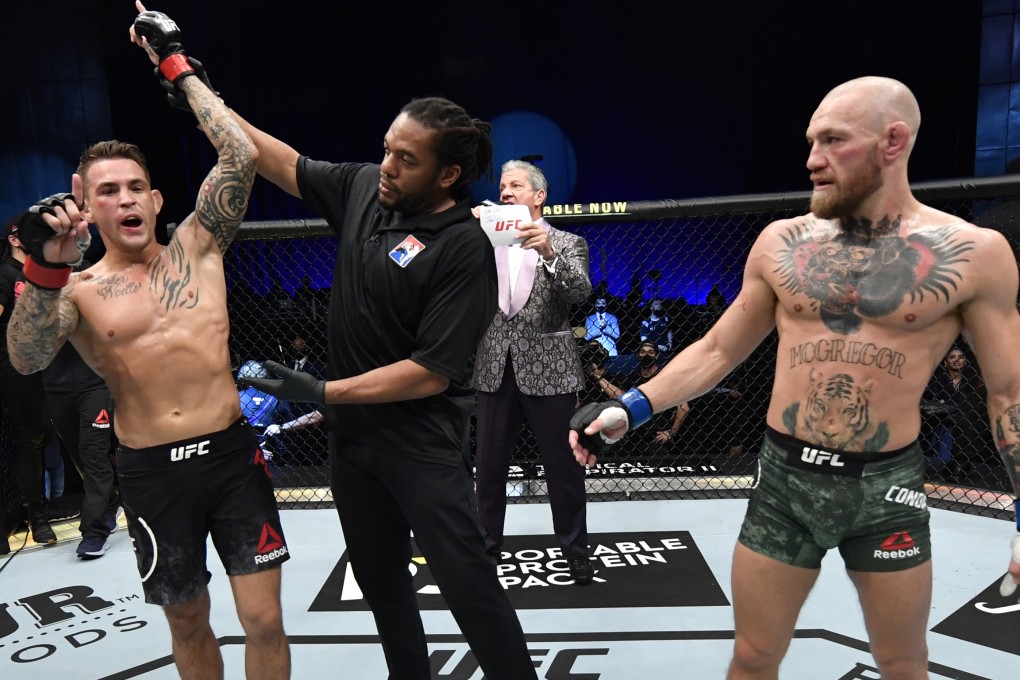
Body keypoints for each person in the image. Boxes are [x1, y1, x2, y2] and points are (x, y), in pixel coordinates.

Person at [568, 76, 1020, 679]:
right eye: (811, 141)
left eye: (833, 141)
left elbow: (1008, 390)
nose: (812, 160)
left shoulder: (972, 253)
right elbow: (718, 350)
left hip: (886, 491)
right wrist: (632, 407)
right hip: (784, 482)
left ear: (894, 141)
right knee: (753, 658)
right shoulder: (782, 243)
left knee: (903, 663)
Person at [7, 6, 291, 678]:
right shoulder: (73, 291)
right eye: (109, 190)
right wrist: (44, 268)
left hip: (230, 459)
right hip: (154, 474)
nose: (126, 198)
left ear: (158, 199)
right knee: (189, 622)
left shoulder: (199, 246)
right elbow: (25, 356)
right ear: (85, 201)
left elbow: (242, 154)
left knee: (265, 620)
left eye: (137, 187)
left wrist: (175, 63)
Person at [231, 86, 538, 675]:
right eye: (388, 150)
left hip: (420, 446)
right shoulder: (365, 190)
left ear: (449, 175)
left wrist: (320, 393)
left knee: (468, 587)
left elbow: (428, 374)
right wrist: (188, 81)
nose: (389, 168)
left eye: (407, 159)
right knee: (381, 587)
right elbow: (273, 157)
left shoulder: (464, 246)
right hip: (353, 446)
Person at [471, 160, 594, 583]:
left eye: (515, 185)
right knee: (488, 468)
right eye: (502, 186)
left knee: (563, 466)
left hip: (551, 371)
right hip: (493, 367)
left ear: (539, 196)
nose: (505, 192)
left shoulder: (567, 240)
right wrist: (464, 224)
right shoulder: (483, 239)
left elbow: (579, 293)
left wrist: (547, 253)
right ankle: (486, 549)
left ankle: (575, 550)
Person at [0, 216, 57, 546]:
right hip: (16, 368)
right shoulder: (5, 274)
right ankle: (36, 515)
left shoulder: (39, 273)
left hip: (48, 365)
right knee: (29, 439)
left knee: (49, 434)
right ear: (14, 240)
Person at [919, 346, 967, 480]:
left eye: (961, 357)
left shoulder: (970, 383)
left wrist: (948, 406)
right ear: (946, 362)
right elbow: (934, 402)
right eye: (952, 357)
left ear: (966, 361)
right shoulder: (937, 380)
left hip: (962, 421)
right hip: (940, 421)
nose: (956, 360)